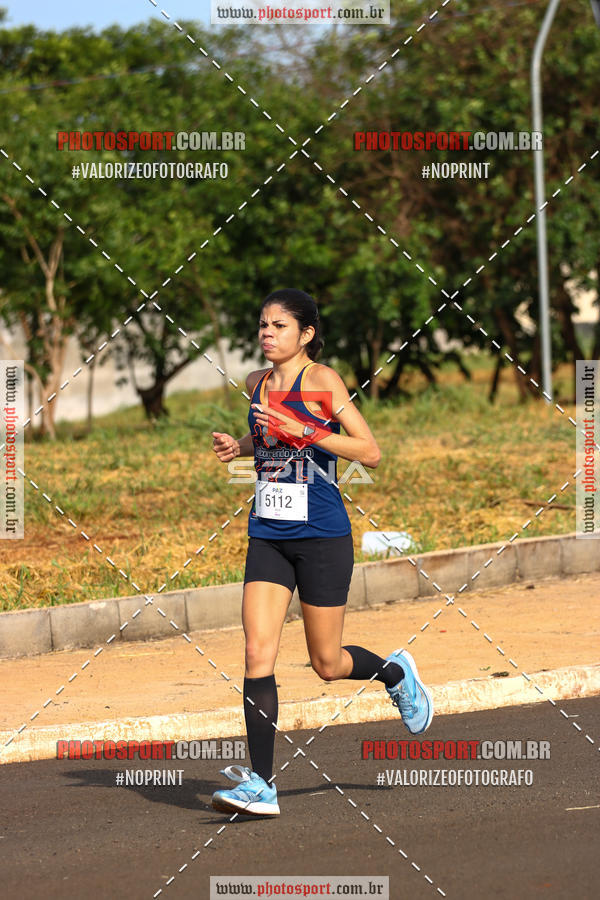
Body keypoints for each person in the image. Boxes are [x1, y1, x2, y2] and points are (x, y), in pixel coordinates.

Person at [210, 288, 433, 817]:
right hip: (267, 532)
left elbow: (370, 453)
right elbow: (268, 441)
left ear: (306, 333)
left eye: (280, 326)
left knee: (326, 664)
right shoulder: (256, 384)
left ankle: (395, 674)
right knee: (255, 653)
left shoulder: (323, 382)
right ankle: (261, 785)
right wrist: (237, 447)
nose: (267, 334)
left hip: (321, 535)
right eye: (263, 325)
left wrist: (306, 430)